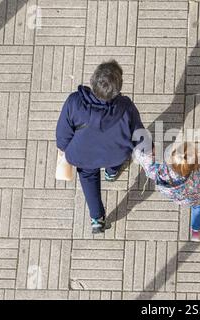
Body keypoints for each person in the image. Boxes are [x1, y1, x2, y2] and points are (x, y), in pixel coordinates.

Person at [56, 60, 144, 234]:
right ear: (117, 89)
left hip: (84, 156)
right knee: (116, 156)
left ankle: (97, 218)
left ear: (92, 79)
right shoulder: (125, 107)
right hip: (115, 154)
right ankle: (111, 173)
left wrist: (66, 150)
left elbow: (63, 136)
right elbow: (137, 133)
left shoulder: (74, 102)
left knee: (88, 179)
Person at [133, 142, 200, 242]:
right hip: (197, 198)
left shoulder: (161, 170)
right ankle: (196, 232)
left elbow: (149, 167)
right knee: (198, 207)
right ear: (195, 164)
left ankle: (197, 233)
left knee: (197, 207)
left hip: (178, 197)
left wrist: (140, 152)